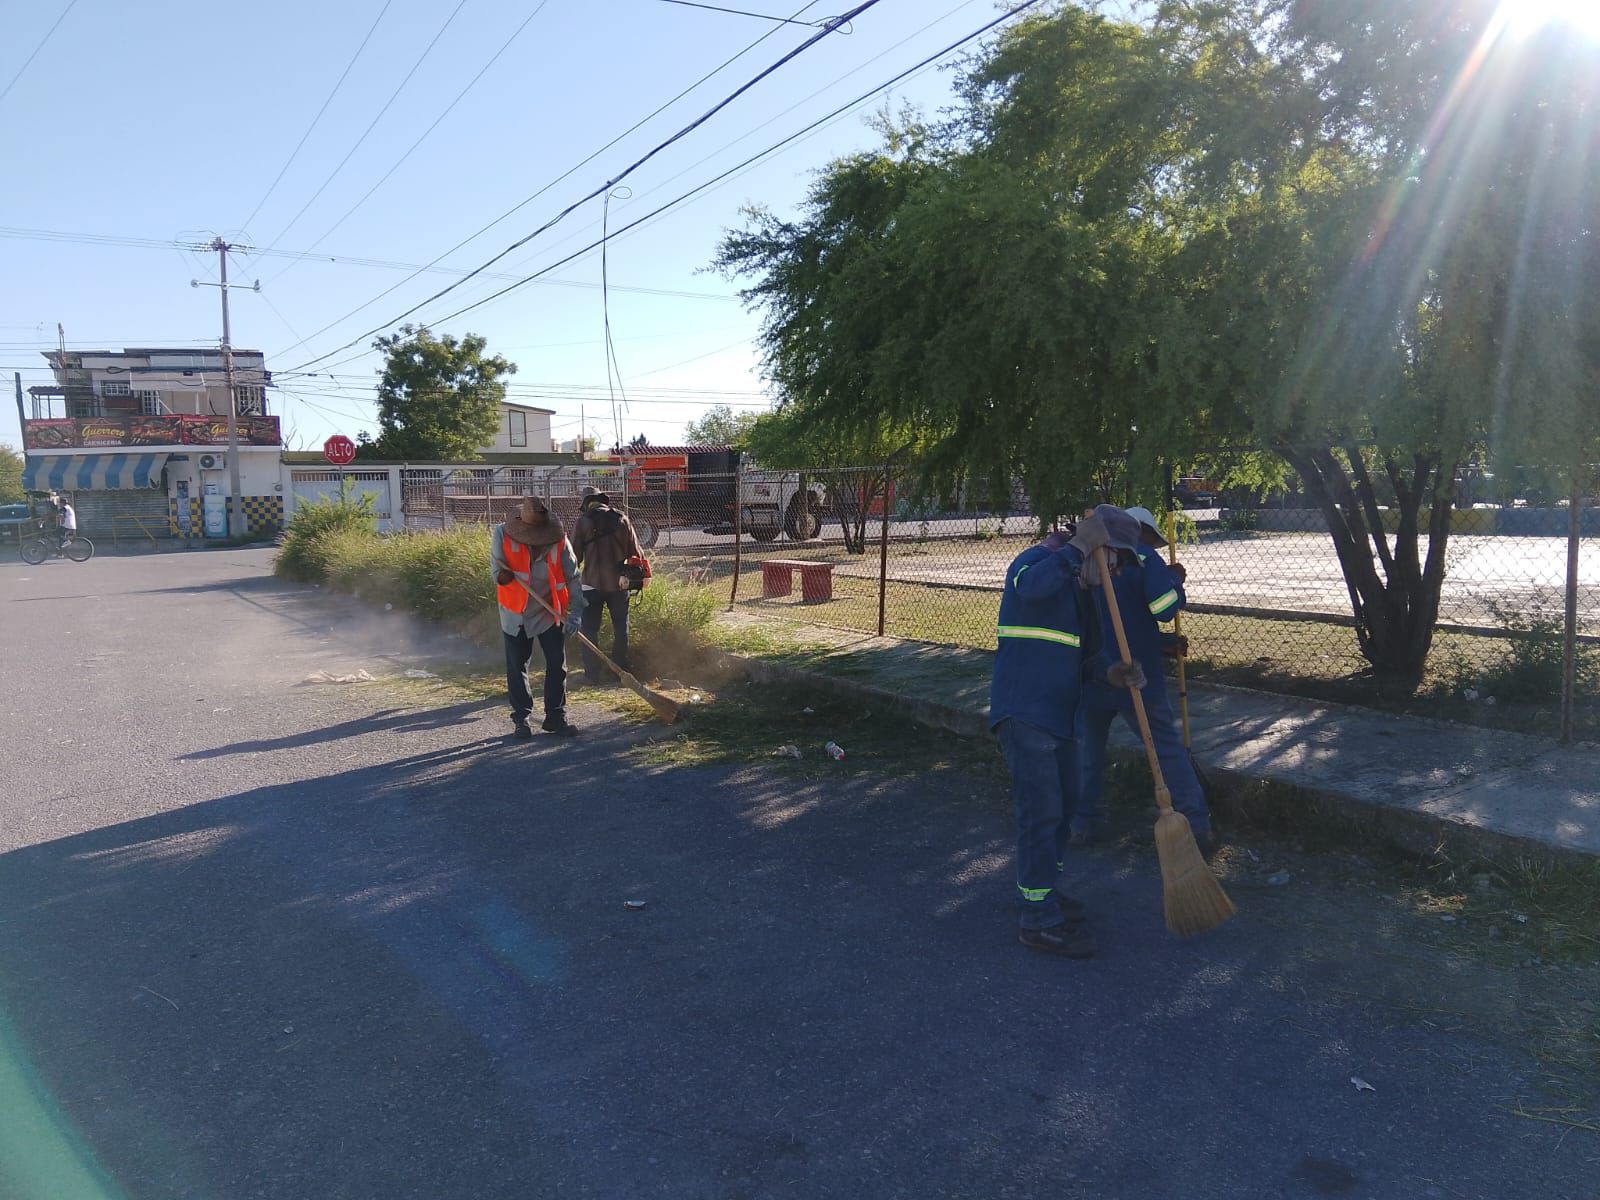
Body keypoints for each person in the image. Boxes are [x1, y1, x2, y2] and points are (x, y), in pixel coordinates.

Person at [990, 504, 1145, 957]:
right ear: (1098, 550)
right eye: (1116, 561)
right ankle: (1038, 919)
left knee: (1065, 808)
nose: (1116, 574)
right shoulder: (1035, 564)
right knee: (1041, 813)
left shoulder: (1086, 595)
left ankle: (1043, 891)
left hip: (1061, 718)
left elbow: (1088, 661)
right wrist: (1078, 546)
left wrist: (1115, 673)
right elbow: (1032, 589)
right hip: (1026, 715)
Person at [1074, 504, 1213, 850]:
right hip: (1137, 677)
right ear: (1136, 530)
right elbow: (1163, 609)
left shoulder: (1080, 556)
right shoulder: (1145, 557)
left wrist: (1162, 643)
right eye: (1150, 537)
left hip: (1092, 672)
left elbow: (1104, 615)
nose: (1151, 543)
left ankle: (1081, 823)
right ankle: (1196, 826)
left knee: (1086, 751)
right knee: (1165, 748)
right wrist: (1175, 582)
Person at [491, 495, 585, 739]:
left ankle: (556, 717)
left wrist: (576, 613)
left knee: (557, 664)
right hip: (516, 612)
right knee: (517, 665)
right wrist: (504, 575)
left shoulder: (558, 539)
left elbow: (573, 577)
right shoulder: (502, 534)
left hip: (549, 611)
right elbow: (496, 572)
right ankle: (521, 720)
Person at [572, 486, 647, 686]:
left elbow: (574, 558)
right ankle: (619, 672)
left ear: (587, 503)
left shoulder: (583, 522)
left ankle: (592, 675)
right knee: (621, 629)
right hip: (619, 584)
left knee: (589, 629)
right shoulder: (622, 519)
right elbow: (636, 553)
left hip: (590, 584)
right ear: (602, 500)